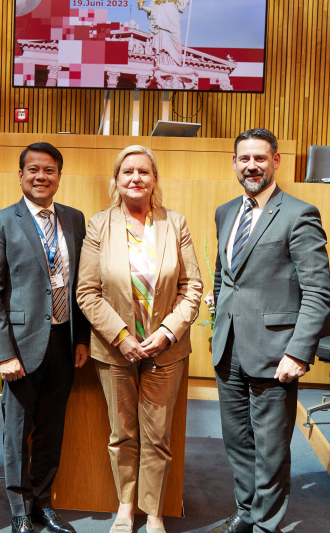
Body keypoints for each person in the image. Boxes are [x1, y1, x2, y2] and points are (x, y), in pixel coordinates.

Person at [209, 128, 330, 533]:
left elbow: (317, 291)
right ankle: (247, 510)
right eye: (244, 159)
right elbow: (223, 275)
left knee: (271, 446)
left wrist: (298, 352)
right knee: (237, 441)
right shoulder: (226, 212)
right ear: (234, 162)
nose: (251, 166)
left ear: (275, 161)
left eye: (260, 158)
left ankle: (266, 523)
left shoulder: (299, 214)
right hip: (229, 348)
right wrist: (217, 328)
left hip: (277, 352)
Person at [77, 145, 203, 533]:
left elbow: (192, 286)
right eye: (127, 172)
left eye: (144, 172)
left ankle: (153, 513)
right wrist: (120, 336)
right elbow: (87, 291)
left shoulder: (175, 223)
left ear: (154, 180)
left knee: (158, 437)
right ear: (116, 180)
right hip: (115, 352)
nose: (136, 178)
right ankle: (125, 508)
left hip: (166, 352)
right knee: (123, 434)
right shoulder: (99, 225)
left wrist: (167, 333)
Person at [0, 142, 90, 533]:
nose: (41, 177)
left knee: (51, 427)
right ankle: (19, 509)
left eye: (49, 170)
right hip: (20, 346)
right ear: (21, 175)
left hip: (63, 341)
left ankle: (43, 502)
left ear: (59, 176)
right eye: (33, 170)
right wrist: (2, 352)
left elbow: (80, 285)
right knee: (17, 431)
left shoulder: (75, 220)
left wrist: (82, 339)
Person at [137, 0, 190, 67]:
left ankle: (175, 64)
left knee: (176, 41)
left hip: (173, 21)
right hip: (160, 23)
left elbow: (182, 7)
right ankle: (162, 63)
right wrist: (142, 7)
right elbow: (151, 9)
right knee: (162, 45)